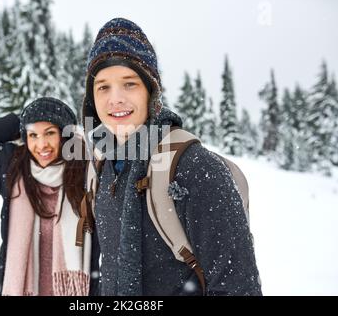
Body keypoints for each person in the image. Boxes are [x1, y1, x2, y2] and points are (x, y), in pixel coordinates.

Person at [82, 18, 262, 296]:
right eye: (103, 86)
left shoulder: (195, 167)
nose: (115, 99)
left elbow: (238, 288)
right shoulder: (105, 167)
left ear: (151, 92)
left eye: (129, 84)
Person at [0, 97, 90, 296]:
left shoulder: (88, 177)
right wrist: (18, 122)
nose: (42, 145)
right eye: (33, 135)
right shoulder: (11, 174)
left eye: (49, 133)